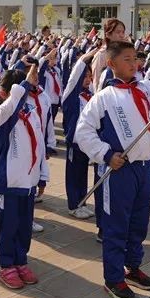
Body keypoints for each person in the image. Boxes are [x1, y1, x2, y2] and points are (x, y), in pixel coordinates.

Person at [75, 40, 150, 298]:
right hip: (119, 172)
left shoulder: (145, 87)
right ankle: (112, 278)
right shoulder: (103, 97)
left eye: (135, 58)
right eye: (127, 59)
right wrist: (105, 154)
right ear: (111, 64)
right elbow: (83, 132)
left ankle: (132, 266)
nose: (134, 63)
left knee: (139, 223)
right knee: (117, 225)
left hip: (145, 168)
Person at [0, 65, 49, 289]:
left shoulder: (31, 111)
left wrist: (42, 175)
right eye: (20, 91)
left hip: (28, 182)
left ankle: (20, 260)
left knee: (24, 226)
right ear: (4, 93)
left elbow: (39, 144)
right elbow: (11, 107)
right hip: (9, 182)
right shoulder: (0, 115)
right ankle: (6, 265)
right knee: (9, 226)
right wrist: (23, 85)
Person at [61, 45, 99, 219]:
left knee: (83, 173)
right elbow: (74, 78)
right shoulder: (71, 96)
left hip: (86, 142)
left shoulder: (89, 96)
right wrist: (87, 57)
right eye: (85, 76)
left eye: (90, 76)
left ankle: (81, 202)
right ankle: (73, 204)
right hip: (74, 142)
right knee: (74, 173)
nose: (87, 79)